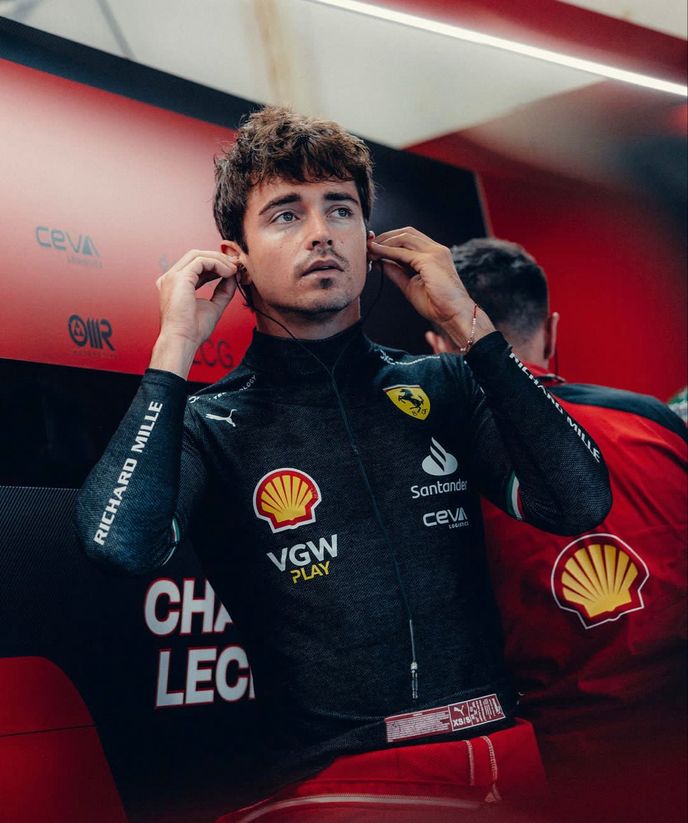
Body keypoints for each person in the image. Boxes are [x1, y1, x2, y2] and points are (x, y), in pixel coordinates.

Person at [75, 108, 611, 821]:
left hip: (504, 760)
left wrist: (468, 326)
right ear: (234, 254)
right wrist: (174, 347)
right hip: (338, 787)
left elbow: (579, 500)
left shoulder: (443, 383)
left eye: (341, 208)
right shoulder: (213, 424)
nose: (321, 231)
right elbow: (120, 543)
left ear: (371, 238)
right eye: (286, 214)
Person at [427, 237, 687, 823]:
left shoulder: (443, 468)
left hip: (556, 779)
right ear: (551, 329)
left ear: (439, 347)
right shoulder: (658, 423)